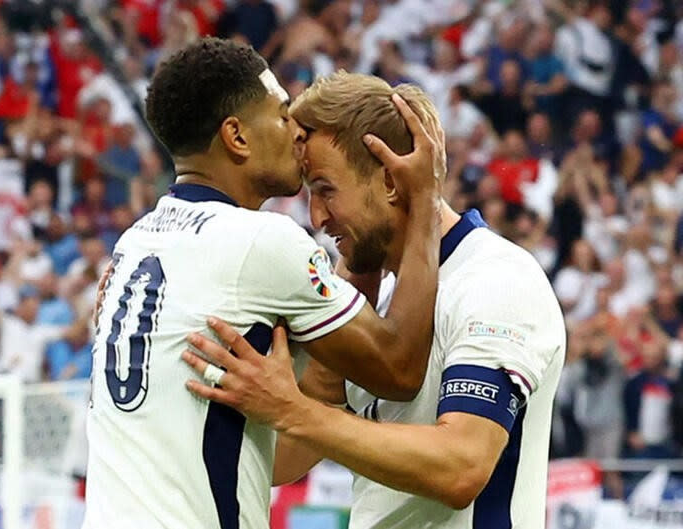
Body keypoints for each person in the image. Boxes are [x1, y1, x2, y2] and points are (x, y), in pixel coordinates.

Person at [83, 39, 444, 529]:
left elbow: (279, 461)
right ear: (237, 136)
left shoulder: (136, 243)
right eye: (280, 116)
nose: (296, 131)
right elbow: (399, 368)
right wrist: (423, 197)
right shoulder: (259, 242)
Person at [182, 72, 566, 529]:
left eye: (325, 189)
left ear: (389, 179)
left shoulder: (496, 279)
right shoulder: (383, 300)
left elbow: (463, 466)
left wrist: (293, 409)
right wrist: (303, 388)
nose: (317, 216)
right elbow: (283, 464)